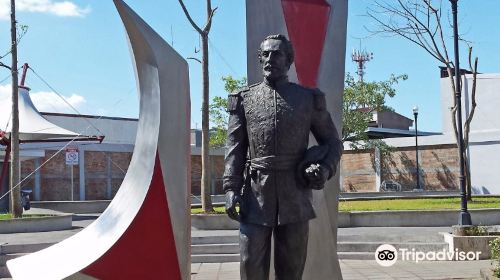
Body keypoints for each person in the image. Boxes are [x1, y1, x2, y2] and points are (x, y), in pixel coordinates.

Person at [223, 34, 343, 280]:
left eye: (276, 53)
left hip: (295, 196)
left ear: (288, 60)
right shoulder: (244, 99)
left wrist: (324, 169)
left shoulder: (308, 99)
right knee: (250, 265)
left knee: (291, 270)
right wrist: (230, 188)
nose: (269, 59)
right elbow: (235, 147)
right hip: (255, 196)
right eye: (265, 54)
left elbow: (332, 143)